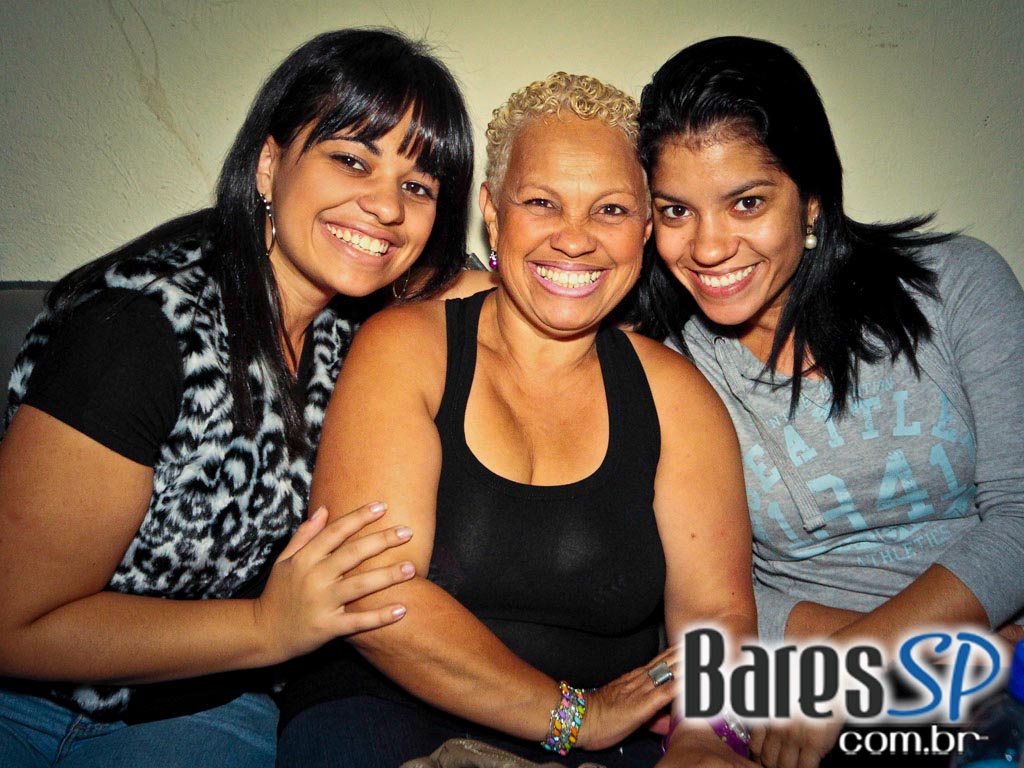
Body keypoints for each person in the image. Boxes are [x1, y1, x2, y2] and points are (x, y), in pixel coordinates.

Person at [0, 28, 474, 768]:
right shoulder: (141, 330)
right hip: (27, 704)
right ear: (269, 164)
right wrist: (266, 627)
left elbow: (494, 285)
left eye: (418, 187)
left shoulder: (362, 327)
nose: (386, 205)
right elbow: (14, 624)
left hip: (204, 709)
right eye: (352, 160)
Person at [275, 72, 758, 768]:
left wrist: (704, 735)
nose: (575, 239)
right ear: (493, 216)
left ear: (646, 231)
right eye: (541, 203)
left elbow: (718, 618)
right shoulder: (406, 349)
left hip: (611, 738)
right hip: (385, 713)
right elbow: (371, 591)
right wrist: (575, 717)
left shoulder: (678, 394)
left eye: (611, 210)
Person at [634, 35, 1024, 768]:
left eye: (747, 202)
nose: (708, 247)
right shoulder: (671, 367)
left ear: (811, 197)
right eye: (676, 211)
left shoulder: (957, 285)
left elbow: (1020, 515)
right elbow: (702, 589)